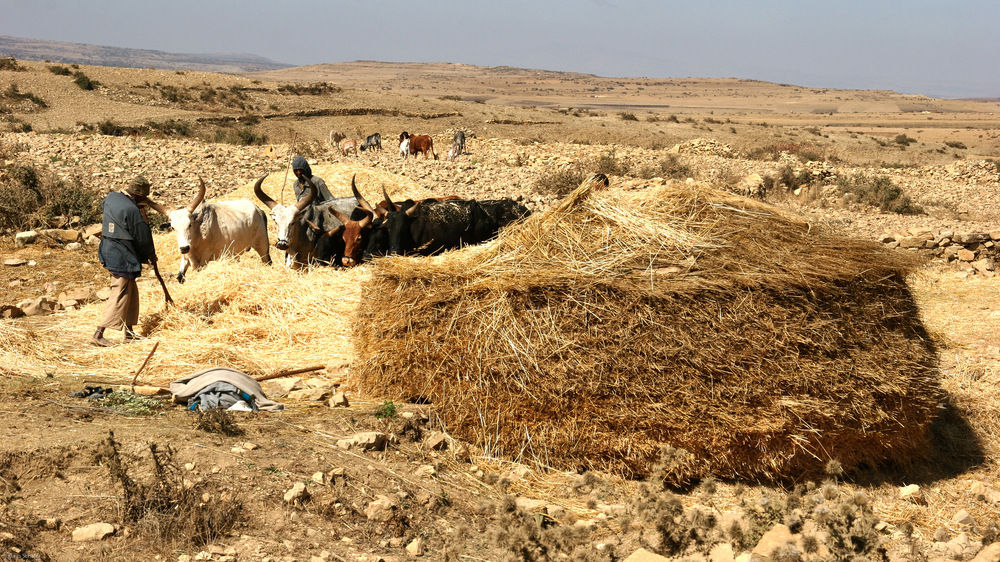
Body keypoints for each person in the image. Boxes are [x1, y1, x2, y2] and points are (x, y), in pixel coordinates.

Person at [91, 176, 158, 347]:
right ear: (140, 196)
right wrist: (150, 255)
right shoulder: (133, 211)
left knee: (131, 291)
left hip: (107, 249)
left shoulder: (112, 198)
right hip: (122, 256)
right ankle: (98, 334)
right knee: (119, 292)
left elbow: (106, 207)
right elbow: (142, 238)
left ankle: (129, 332)